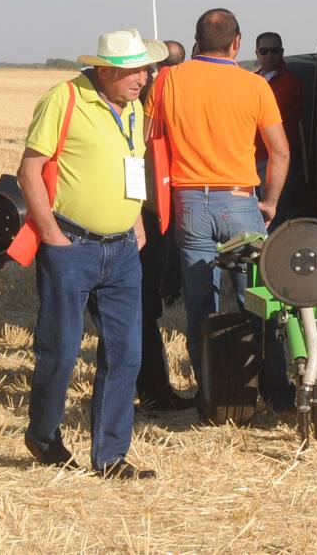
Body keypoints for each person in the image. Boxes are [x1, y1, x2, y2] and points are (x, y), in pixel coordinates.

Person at [17, 28, 167, 480]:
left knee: (126, 355)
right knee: (61, 352)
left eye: (144, 69)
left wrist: (137, 222)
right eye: (132, 71)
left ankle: (110, 456)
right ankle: (43, 436)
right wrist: (50, 235)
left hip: (122, 250)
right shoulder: (63, 99)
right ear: (104, 71)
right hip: (71, 246)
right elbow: (28, 170)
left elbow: (132, 166)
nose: (142, 78)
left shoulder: (135, 109)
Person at [149, 8, 293, 412]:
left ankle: (212, 393)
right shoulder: (254, 86)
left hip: (188, 202)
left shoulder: (169, 81)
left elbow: (150, 144)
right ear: (237, 42)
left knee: (201, 307)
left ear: (196, 41)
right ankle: (276, 392)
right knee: (260, 300)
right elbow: (280, 152)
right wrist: (271, 202)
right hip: (240, 201)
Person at [137, 39, 190, 412]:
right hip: (146, 211)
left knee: (143, 305)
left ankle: (153, 389)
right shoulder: (139, 103)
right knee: (139, 307)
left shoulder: (149, 99)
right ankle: (152, 390)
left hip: (148, 210)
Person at [254, 31, 303, 228]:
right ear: (257, 53)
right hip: (254, 157)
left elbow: (268, 112)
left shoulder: (289, 82)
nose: (269, 55)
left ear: (282, 52)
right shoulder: (255, 80)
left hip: (274, 159)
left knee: (274, 215)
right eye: (264, 51)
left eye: (274, 50)